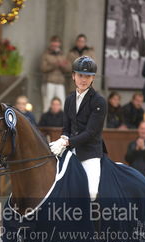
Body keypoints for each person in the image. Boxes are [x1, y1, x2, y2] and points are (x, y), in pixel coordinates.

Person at [50, 56, 107, 201]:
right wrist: (63, 138)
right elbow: (66, 128)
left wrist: (67, 142)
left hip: (89, 153)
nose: (84, 79)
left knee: (92, 192)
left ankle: (93, 223)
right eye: (80, 75)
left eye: (88, 76)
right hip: (70, 152)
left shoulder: (99, 101)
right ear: (73, 76)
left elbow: (90, 133)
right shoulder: (69, 99)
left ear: (93, 78)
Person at [40, 35, 71, 112]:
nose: (55, 44)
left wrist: (63, 66)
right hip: (49, 82)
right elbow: (43, 68)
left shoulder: (62, 55)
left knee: (62, 104)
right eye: (53, 42)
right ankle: (46, 122)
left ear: (59, 44)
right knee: (47, 104)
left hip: (60, 82)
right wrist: (55, 64)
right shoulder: (46, 54)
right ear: (51, 43)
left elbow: (69, 68)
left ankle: (62, 122)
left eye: (57, 43)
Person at [125, 121, 145, 187]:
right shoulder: (132, 144)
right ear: (138, 130)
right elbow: (128, 159)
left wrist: (143, 148)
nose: (143, 131)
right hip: (133, 177)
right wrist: (136, 149)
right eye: (142, 128)